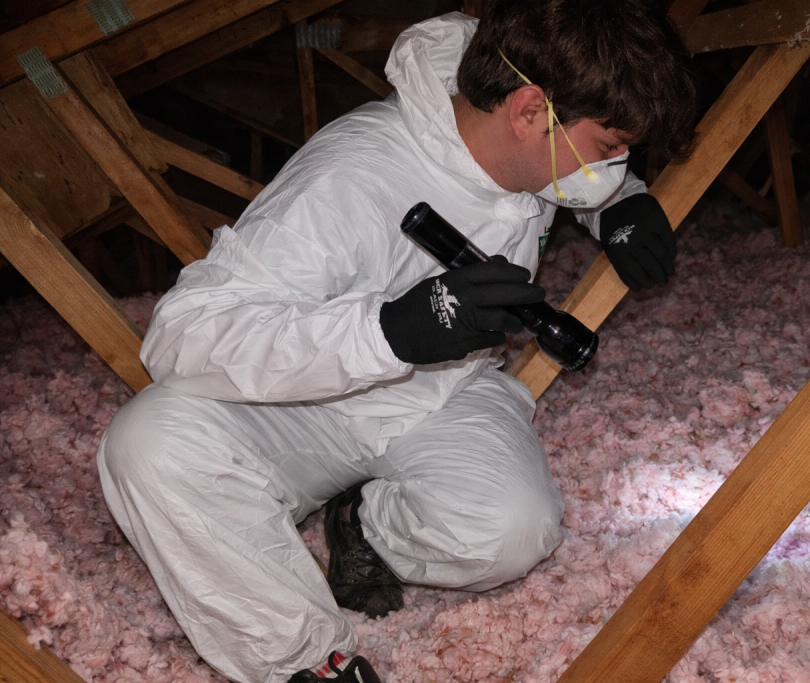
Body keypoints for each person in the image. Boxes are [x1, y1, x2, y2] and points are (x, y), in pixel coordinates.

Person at [96, 1, 697, 681]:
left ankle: (360, 524)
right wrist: (388, 329)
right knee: (148, 443)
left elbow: (567, 170)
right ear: (530, 111)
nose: (612, 166)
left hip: (447, 391)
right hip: (307, 403)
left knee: (513, 529)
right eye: (610, 151)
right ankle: (304, 660)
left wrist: (620, 203)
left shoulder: (516, 118)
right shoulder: (350, 174)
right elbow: (184, 333)